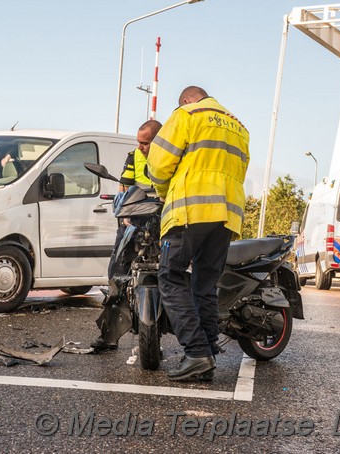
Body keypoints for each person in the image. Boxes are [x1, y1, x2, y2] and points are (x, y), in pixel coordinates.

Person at [147, 86, 250, 381]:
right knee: (205, 285)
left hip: (190, 210)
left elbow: (160, 163)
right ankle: (207, 355)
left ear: (186, 101)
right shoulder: (239, 127)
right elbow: (239, 171)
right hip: (227, 214)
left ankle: (196, 352)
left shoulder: (187, 114)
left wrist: (164, 194)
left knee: (170, 277)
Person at [90, 119, 162, 352]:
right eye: (139, 142)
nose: (141, 147)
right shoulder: (134, 156)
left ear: (158, 140)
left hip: (165, 221)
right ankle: (108, 335)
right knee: (117, 275)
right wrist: (124, 216)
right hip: (136, 220)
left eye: (146, 143)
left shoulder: (174, 158)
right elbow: (124, 186)